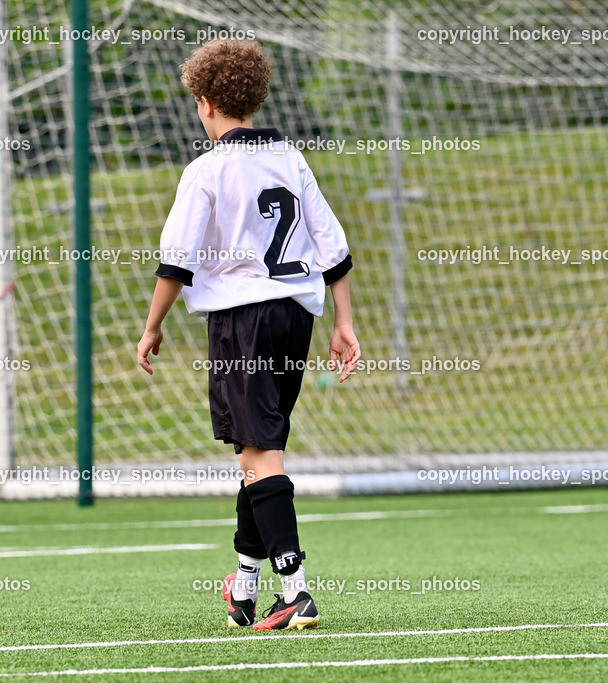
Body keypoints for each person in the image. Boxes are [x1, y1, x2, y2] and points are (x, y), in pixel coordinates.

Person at [136, 39, 360, 630]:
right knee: (253, 453)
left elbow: (176, 262)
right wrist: (343, 323)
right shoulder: (290, 159)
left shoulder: (206, 170)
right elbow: (331, 246)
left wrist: (152, 325)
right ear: (254, 101)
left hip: (243, 320)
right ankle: (245, 583)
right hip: (295, 316)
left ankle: (297, 591)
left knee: (263, 452)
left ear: (206, 104)